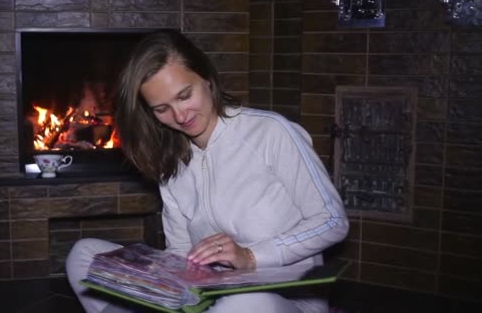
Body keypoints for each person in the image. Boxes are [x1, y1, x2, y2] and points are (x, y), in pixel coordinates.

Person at [66, 30, 349, 313]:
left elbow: (333, 220)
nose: (179, 116)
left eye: (185, 95)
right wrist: (165, 285)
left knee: (245, 303)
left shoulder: (271, 132)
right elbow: (179, 252)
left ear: (207, 80)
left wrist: (251, 257)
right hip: (210, 298)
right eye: (162, 108)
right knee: (85, 256)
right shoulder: (172, 161)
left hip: (284, 300)